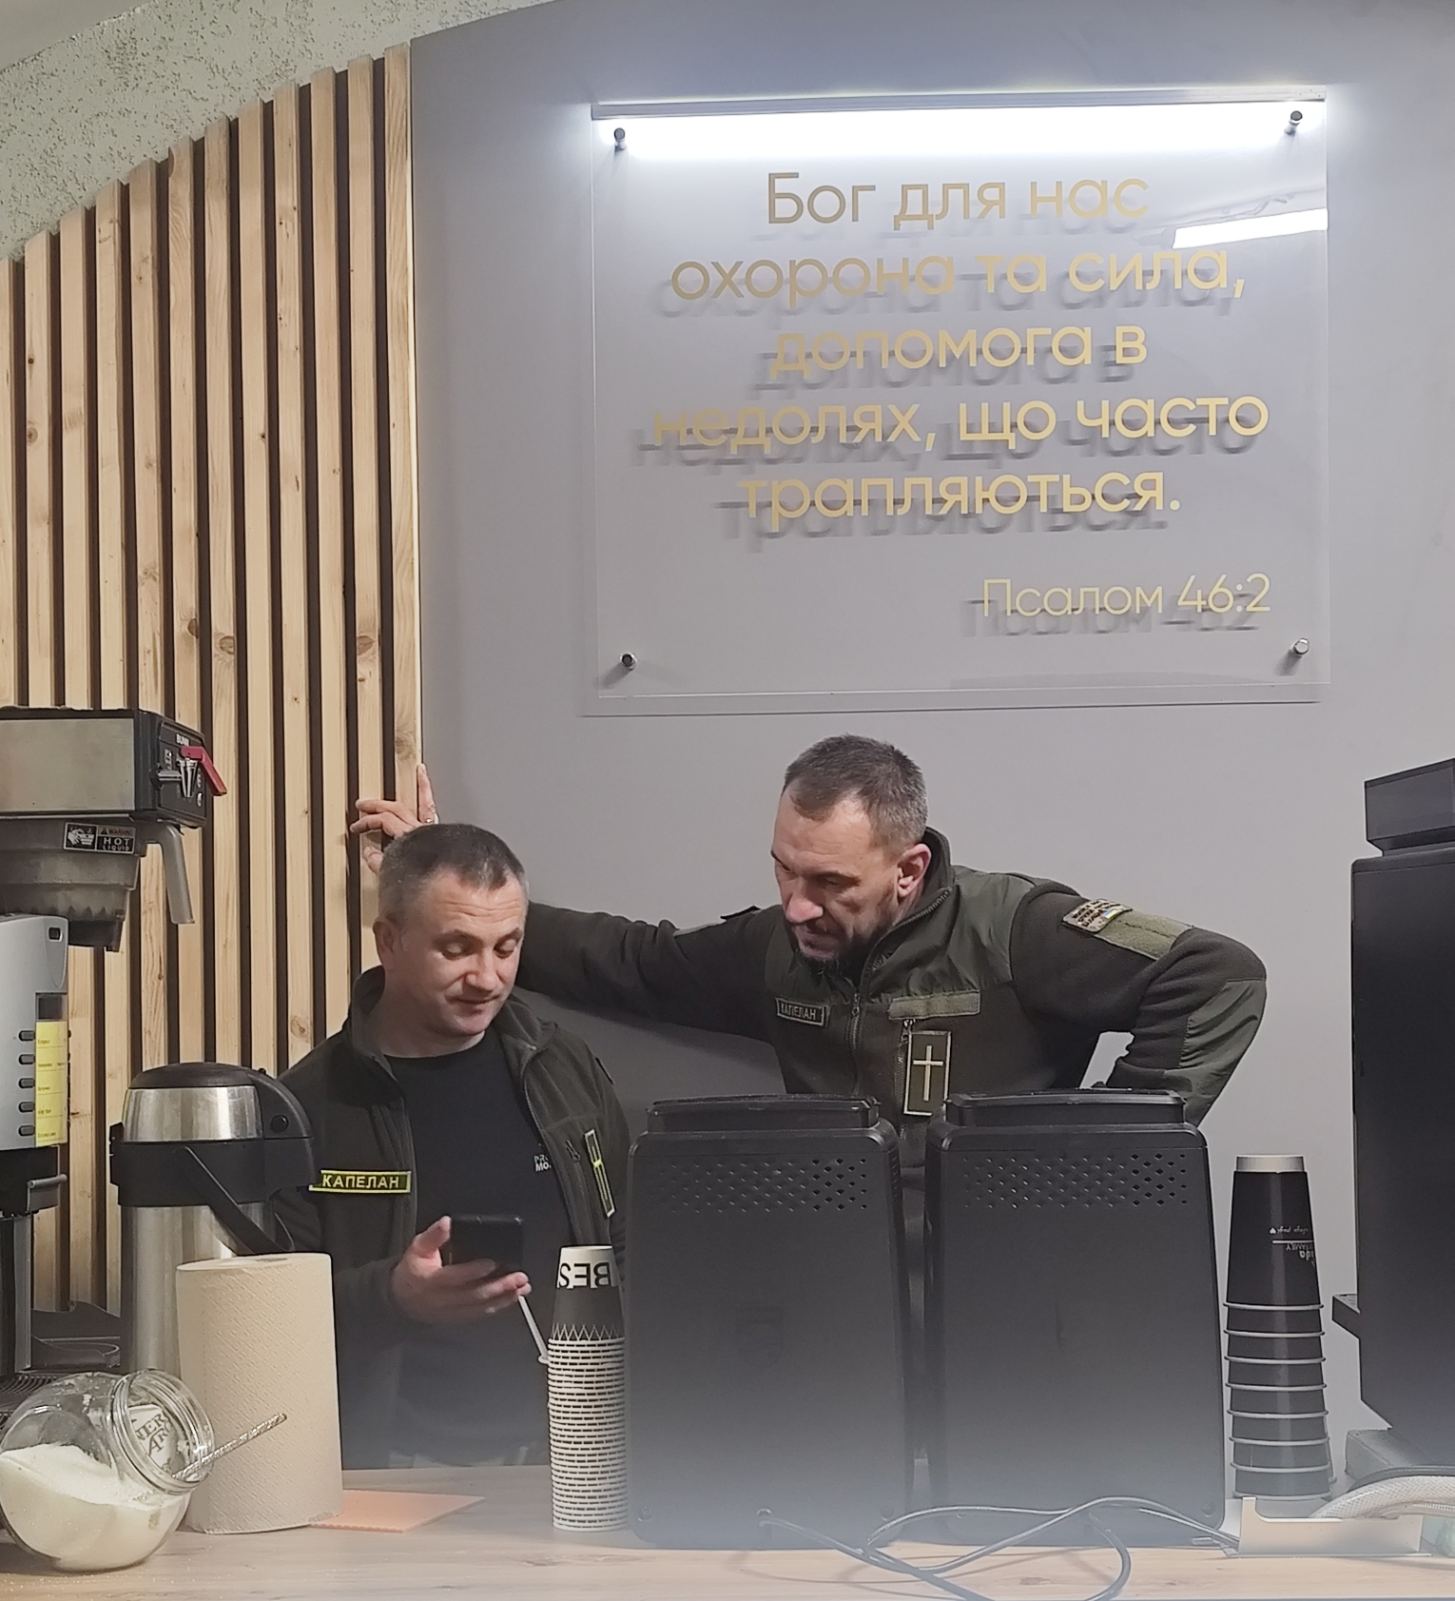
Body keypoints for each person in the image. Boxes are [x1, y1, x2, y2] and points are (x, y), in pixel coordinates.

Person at [354, 736, 1265, 1149]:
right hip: (839, 1271)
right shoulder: (775, 948)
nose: (796, 904)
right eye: (783, 870)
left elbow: (1217, 974)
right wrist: (452, 884)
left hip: (1012, 1272)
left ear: (907, 868)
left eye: (829, 883)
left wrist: (1109, 1147)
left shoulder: (1012, 930)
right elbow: (631, 961)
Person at [277, 823, 629, 1470]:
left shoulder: (564, 1069)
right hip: (388, 1471)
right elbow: (264, 1320)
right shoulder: (309, 1104)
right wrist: (392, 1296)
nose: (487, 978)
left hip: (570, 1462)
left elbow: (628, 1244)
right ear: (389, 940)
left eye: (506, 947)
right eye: (457, 948)